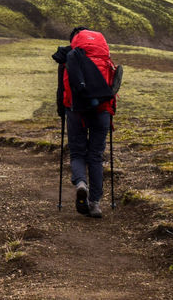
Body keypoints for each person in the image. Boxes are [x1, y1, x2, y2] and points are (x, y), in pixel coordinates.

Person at [52, 27, 117, 218]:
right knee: (96, 155)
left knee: (78, 152)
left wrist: (61, 112)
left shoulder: (67, 58)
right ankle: (95, 203)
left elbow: (60, 90)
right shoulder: (104, 58)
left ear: (73, 41)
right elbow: (113, 85)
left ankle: (81, 183)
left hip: (76, 110)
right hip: (102, 110)